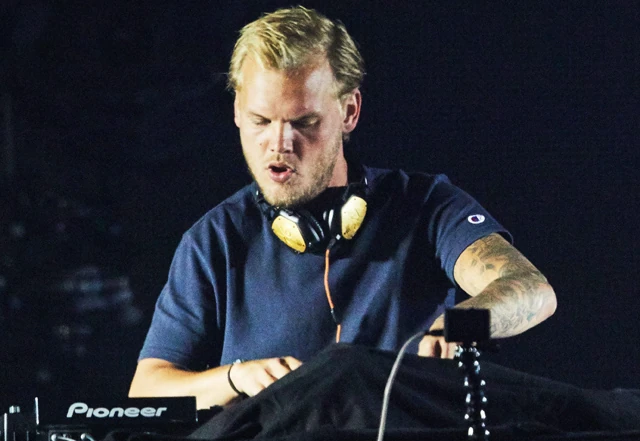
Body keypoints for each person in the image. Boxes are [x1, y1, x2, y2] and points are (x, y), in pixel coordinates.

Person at [129, 6, 557, 410]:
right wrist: (236, 377)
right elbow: (147, 391)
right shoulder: (213, 241)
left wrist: (457, 328)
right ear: (238, 112)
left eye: (304, 122)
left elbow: (532, 291)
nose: (278, 143)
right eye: (260, 121)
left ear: (349, 111)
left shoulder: (426, 206)